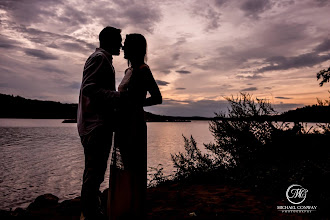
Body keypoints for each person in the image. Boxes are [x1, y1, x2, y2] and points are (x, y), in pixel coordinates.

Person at [108, 33, 162, 219]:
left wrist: (136, 104)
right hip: (123, 122)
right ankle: (124, 205)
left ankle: (134, 209)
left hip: (134, 124)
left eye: (126, 45)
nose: (123, 48)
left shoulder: (143, 70)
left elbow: (157, 97)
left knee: (134, 165)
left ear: (134, 49)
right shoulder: (128, 71)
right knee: (125, 165)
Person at [77, 26, 127, 220]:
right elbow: (89, 88)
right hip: (95, 126)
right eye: (119, 41)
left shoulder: (103, 59)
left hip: (95, 124)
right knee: (94, 174)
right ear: (109, 41)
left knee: (94, 173)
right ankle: (90, 215)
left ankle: (90, 212)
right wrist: (118, 97)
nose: (121, 45)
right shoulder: (100, 59)